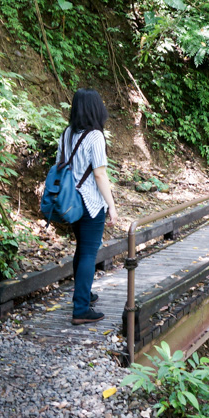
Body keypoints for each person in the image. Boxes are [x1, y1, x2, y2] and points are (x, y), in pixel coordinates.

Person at [59, 89, 118, 325]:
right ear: (95, 109)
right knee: (89, 253)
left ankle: (83, 295)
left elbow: (60, 165)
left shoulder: (66, 134)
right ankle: (81, 308)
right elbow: (100, 174)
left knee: (81, 249)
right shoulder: (95, 136)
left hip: (70, 201)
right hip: (91, 203)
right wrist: (112, 206)